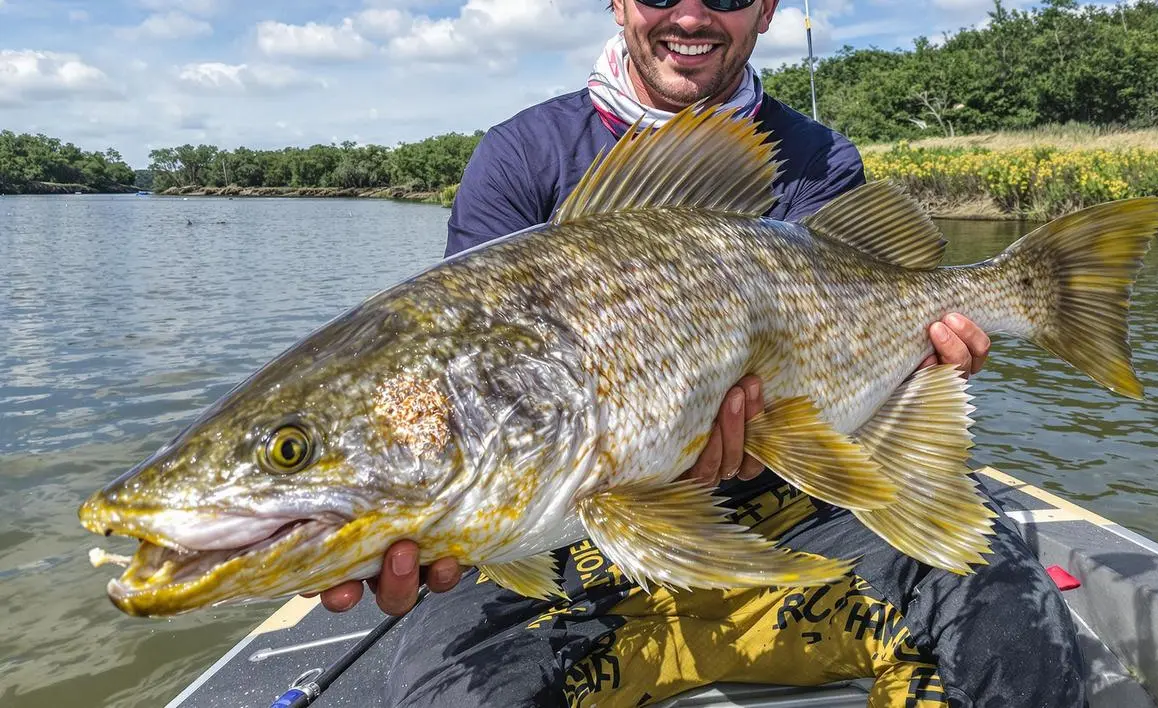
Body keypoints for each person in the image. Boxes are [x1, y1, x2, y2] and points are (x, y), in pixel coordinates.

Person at [312, 1, 1088, 705]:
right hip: (568, 541)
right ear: (617, 4)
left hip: (796, 510)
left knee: (1008, 622)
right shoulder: (520, 156)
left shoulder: (818, 156)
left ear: (768, 10)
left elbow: (852, 347)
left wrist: (921, 366)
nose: (690, 15)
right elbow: (460, 382)